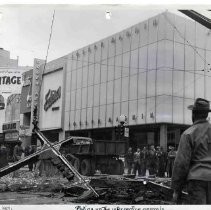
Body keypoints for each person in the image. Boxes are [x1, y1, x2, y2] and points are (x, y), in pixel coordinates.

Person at [172, 98, 211, 204]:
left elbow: (181, 164)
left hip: (197, 181)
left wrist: (177, 189)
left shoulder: (188, 134)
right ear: (207, 114)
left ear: (193, 114)